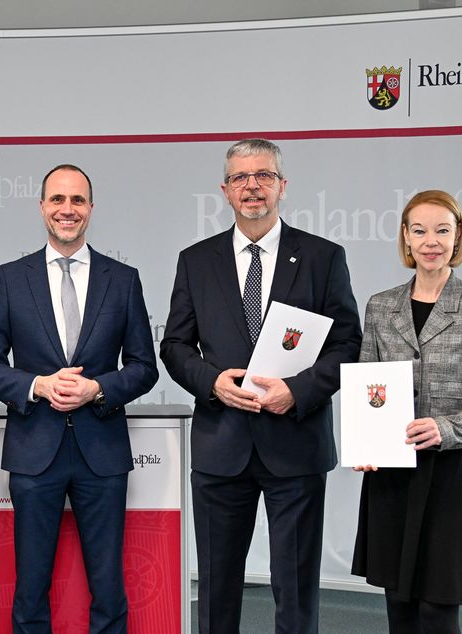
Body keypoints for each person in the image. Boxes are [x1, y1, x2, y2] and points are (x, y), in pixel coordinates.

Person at [160, 138, 362, 633]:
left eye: (264, 176)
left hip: (295, 443)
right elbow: (175, 346)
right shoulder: (196, 260)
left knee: (296, 589)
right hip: (221, 445)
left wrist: (299, 390)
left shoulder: (322, 257)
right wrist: (212, 383)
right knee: (217, 588)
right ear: (225, 190)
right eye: (240, 178)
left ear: (282, 186)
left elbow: (347, 343)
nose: (252, 186)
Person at [0, 164, 158, 634]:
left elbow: (144, 366)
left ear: (91, 208)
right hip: (35, 450)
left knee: (109, 586)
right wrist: (37, 385)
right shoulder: (11, 278)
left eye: (77, 200)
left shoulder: (123, 279)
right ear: (42, 207)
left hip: (103, 452)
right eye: (57, 199)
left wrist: (98, 388)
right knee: (30, 586)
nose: (67, 209)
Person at [351, 190, 462, 633]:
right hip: (392, 474)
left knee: (437, 610)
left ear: (457, 237)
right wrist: (364, 442)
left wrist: (447, 428)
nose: (431, 241)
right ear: (406, 238)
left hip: (452, 474)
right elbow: (367, 383)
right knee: (399, 606)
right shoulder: (380, 305)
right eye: (420, 230)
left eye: (442, 230)